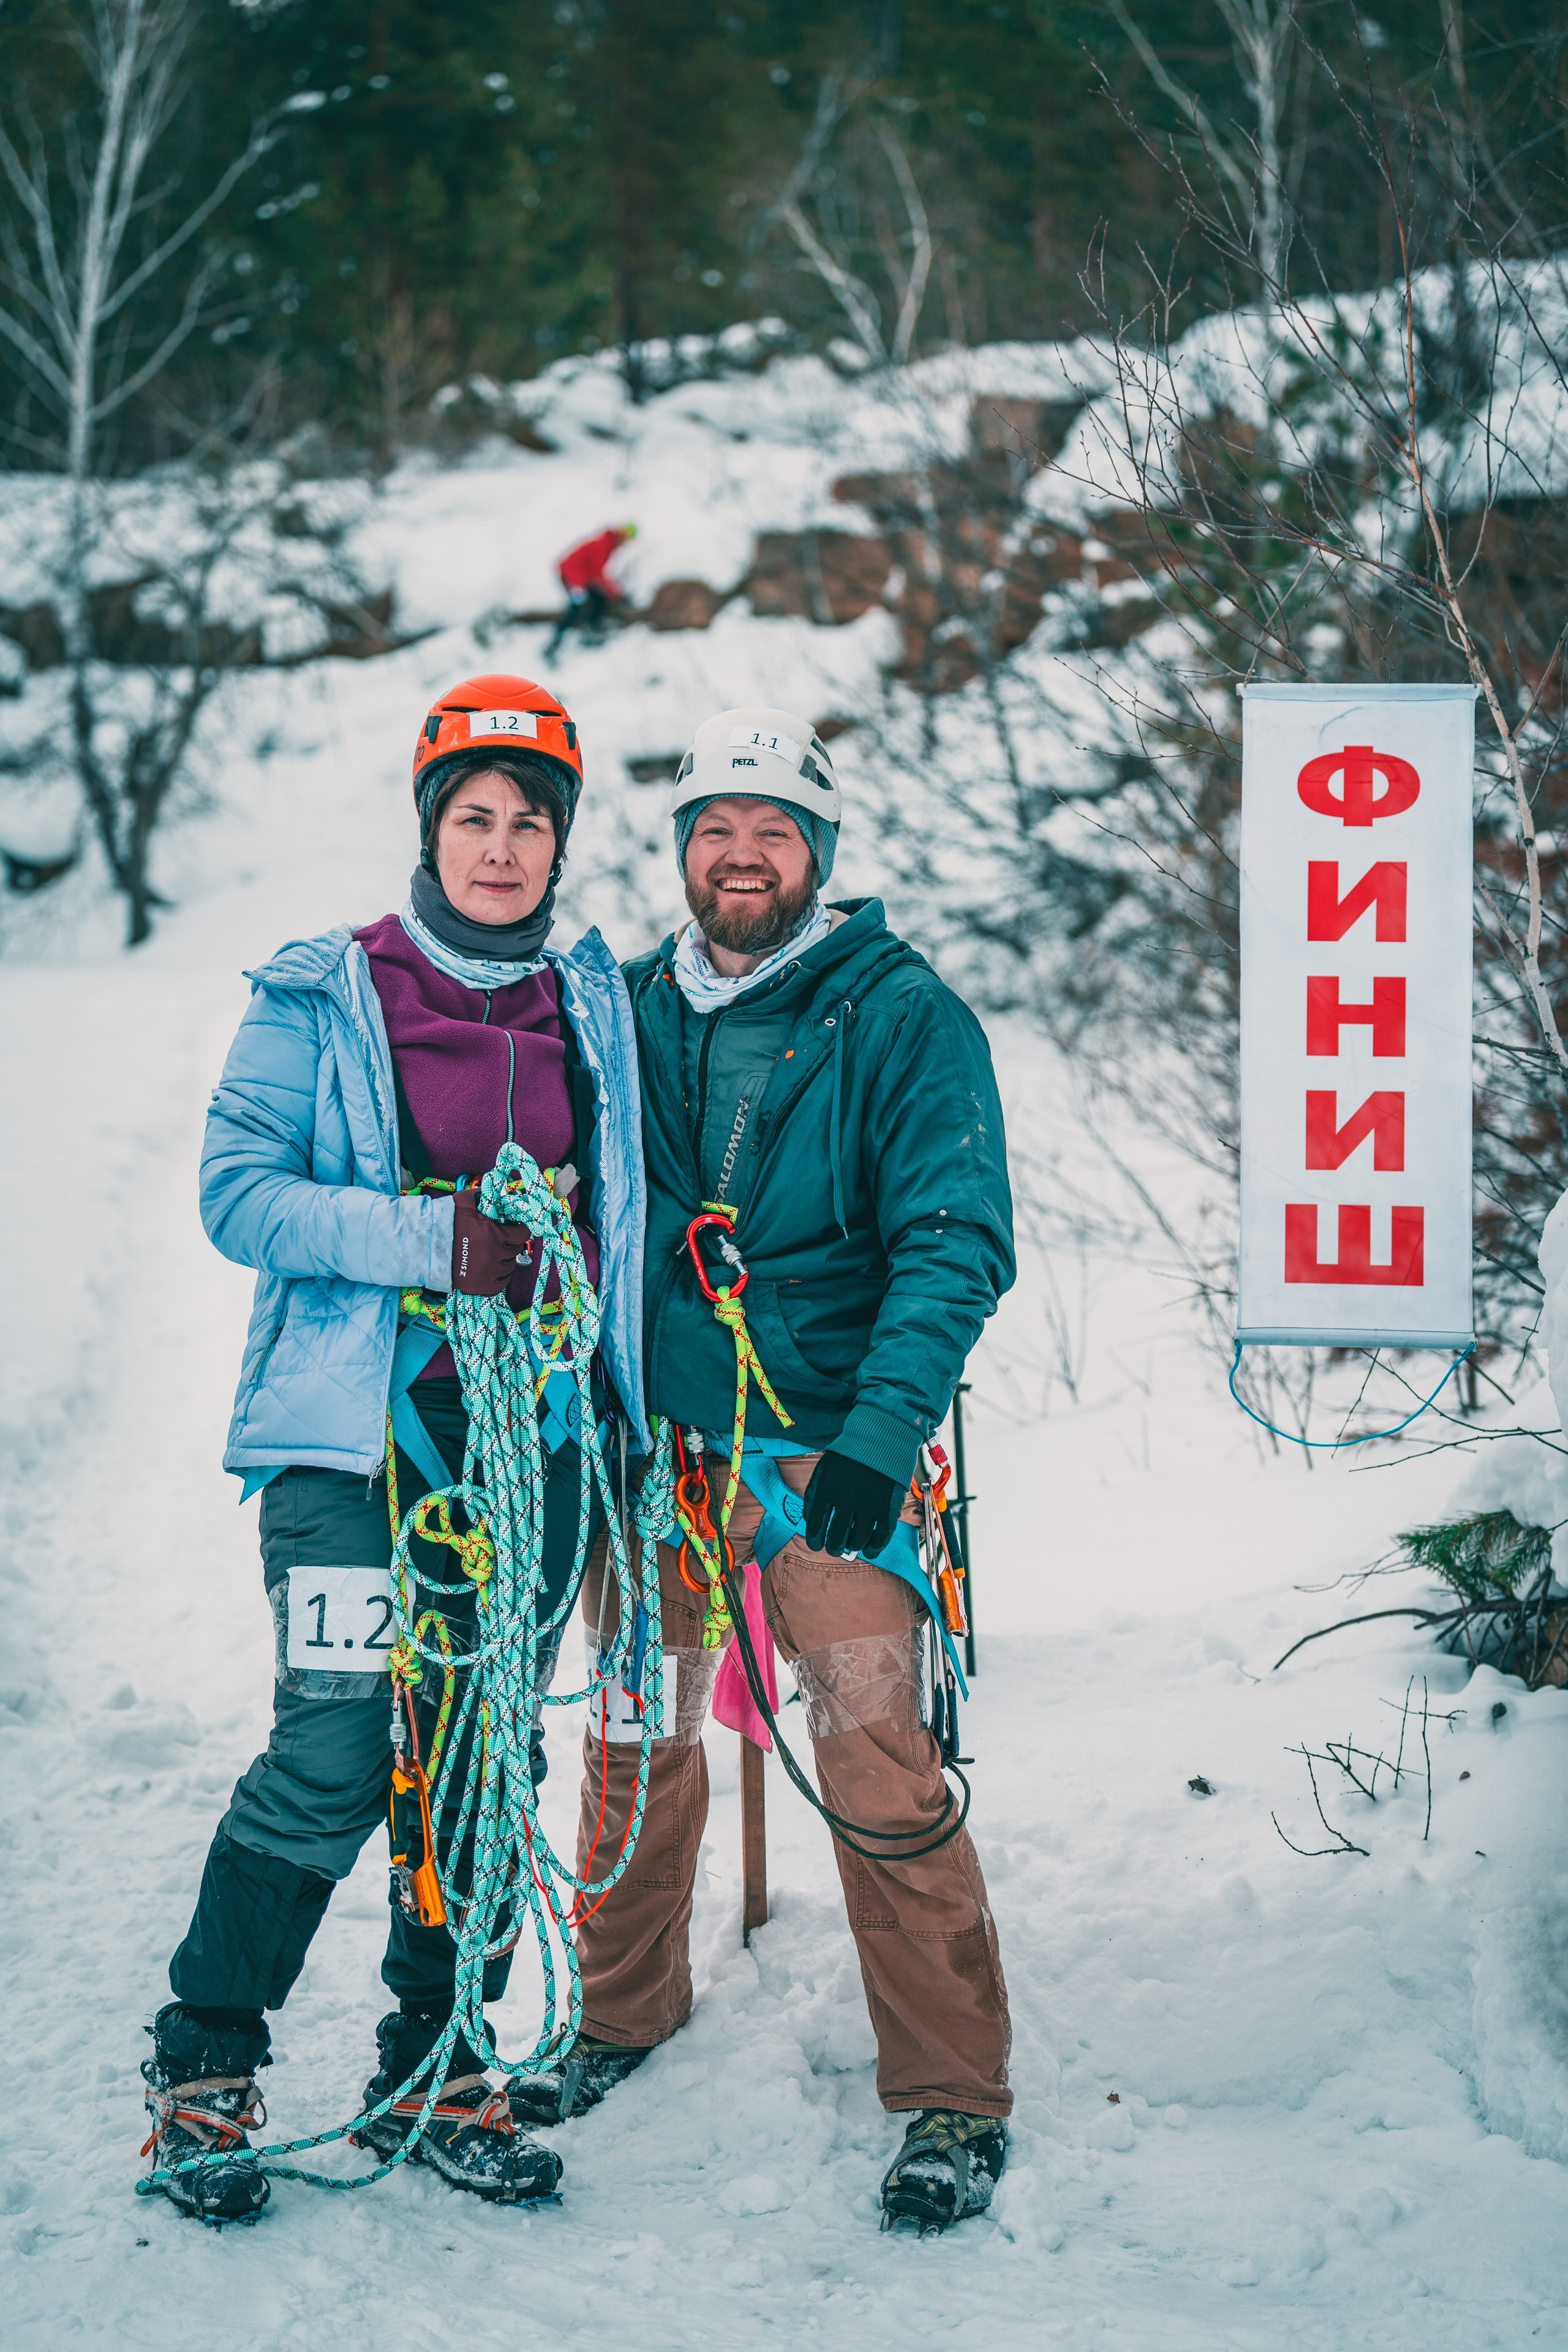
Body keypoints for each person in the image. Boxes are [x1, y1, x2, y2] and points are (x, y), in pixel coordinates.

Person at [139, 673, 649, 2223]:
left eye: (529, 824)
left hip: (535, 1434)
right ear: (430, 826)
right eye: (473, 816)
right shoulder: (322, 987)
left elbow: (626, 1209)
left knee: (488, 1748)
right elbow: (243, 1195)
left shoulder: (594, 1002)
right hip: (349, 1445)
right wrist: (439, 1237)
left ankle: (440, 2061)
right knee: (338, 1739)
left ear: (560, 848)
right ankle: (203, 2072)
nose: (500, 848)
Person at [526, 707, 1017, 2233]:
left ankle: (947, 2088)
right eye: (713, 831)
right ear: (680, 852)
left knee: (875, 1754)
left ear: (819, 851)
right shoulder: (614, 1009)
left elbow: (954, 1240)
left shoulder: (899, 1014)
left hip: (826, 1466)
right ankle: (619, 2012)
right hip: (649, 1461)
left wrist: (879, 1439)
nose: (742, 856)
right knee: (637, 1738)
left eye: (774, 831)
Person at [543, 522, 636, 658]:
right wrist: (618, 595)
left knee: (599, 600)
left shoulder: (607, 545)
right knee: (578, 607)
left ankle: (592, 630)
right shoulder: (603, 545)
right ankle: (555, 642)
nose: (625, 543)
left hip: (582, 579)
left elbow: (595, 573)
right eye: (626, 538)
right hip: (573, 578)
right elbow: (599, 574)